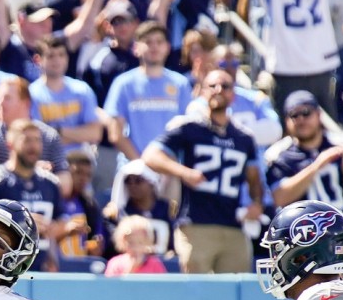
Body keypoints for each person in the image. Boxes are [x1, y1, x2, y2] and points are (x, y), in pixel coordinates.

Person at [141, 69, 264, 274]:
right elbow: (151, 156)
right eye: (212, 86)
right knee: (198, 292)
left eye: (225, 86)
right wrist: (183, 172)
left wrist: (257, 205)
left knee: (233, 294)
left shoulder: (244, 137)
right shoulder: (189, 128)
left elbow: (254, 178)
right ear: (201, 91)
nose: (218, 90)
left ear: (233, 94)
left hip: (233, 225)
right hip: (195, 224)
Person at [0, 119, 63, 270]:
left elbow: (60, 221)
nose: (33, 146)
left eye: (37, 140)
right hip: (0, 269)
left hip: (40, 268)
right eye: (27, 140)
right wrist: (21, 222)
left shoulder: (51, 184)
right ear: (10, 144)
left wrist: (58, 229)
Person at [265, 91, 343, 212]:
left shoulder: (340, 146)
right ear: (286, 120)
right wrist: (317, 165)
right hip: (302, 227)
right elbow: (279, 198)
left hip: (341, 224)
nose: (301, 119)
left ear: (318, 114)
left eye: (306, 113)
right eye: (294, 115)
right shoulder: (280, 155)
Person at [104, 21, 192, 162]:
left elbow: (187, 129)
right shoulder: (123, 83)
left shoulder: (181, 84)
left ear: (168, 47)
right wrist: (142, 165)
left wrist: (165, 165)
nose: (154, 47)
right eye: (148, 42)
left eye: (159, 42)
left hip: (170, 170)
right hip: (134, 172)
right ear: (136, 48)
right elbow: (115, 134)